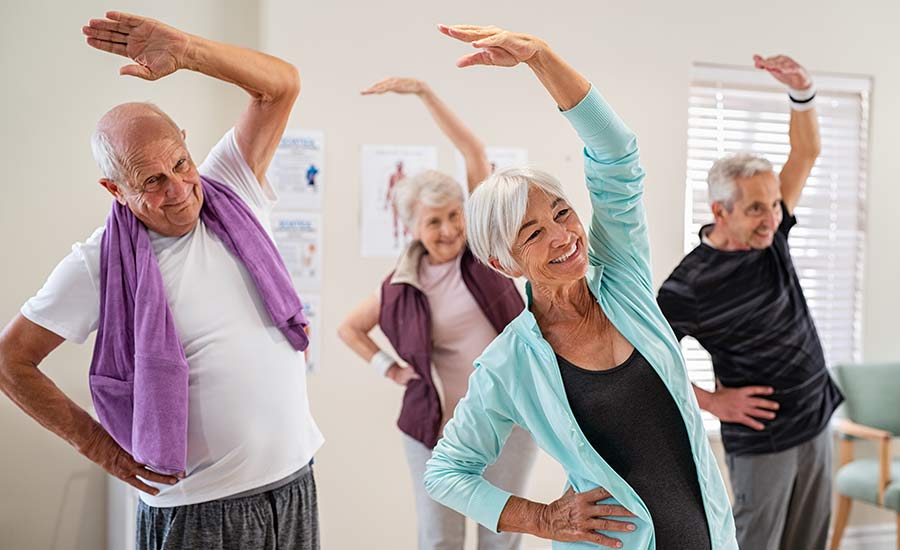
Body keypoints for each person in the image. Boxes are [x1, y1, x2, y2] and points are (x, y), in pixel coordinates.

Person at [0, 11, 322, 549]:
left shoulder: (230, 187)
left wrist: (190, 52)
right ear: (115, 188)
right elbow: (11, 361)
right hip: (201, 511)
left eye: (181, 163)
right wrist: (101, 448)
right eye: (152, 180)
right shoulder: (98, 261)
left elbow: (281, 87)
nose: (179, 188)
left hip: (292, 485)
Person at [423, 25, 738, 549]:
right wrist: (541, 519)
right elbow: (447, 472)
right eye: (533, 233)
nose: (564, 236)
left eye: (562, 212)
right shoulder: (510, 362)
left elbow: (616, 152)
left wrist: (540, 57)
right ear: (505, 263)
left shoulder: (622, 279)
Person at [338, 76, 538, 550]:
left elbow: (472, 152)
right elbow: (350, 328)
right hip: (438, 431)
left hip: (510, 421)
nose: (449, 229)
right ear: (412, 227)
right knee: (439, 540)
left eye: (455, 215)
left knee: (501, 538)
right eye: (434, 221)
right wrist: (391, 369)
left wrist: (425, 95)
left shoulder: (484, 250)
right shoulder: (401, 286)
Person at [657, 54, 840, 550]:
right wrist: (713, 402)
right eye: (757, 208)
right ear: (720, 210)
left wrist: (801, 90)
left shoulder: (772, 236)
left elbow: (805, 154)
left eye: (775, 204)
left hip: (816, 417)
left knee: (811, 542)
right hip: (764, 441)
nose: (772, 217)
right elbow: (646, 363)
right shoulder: (688, 285)